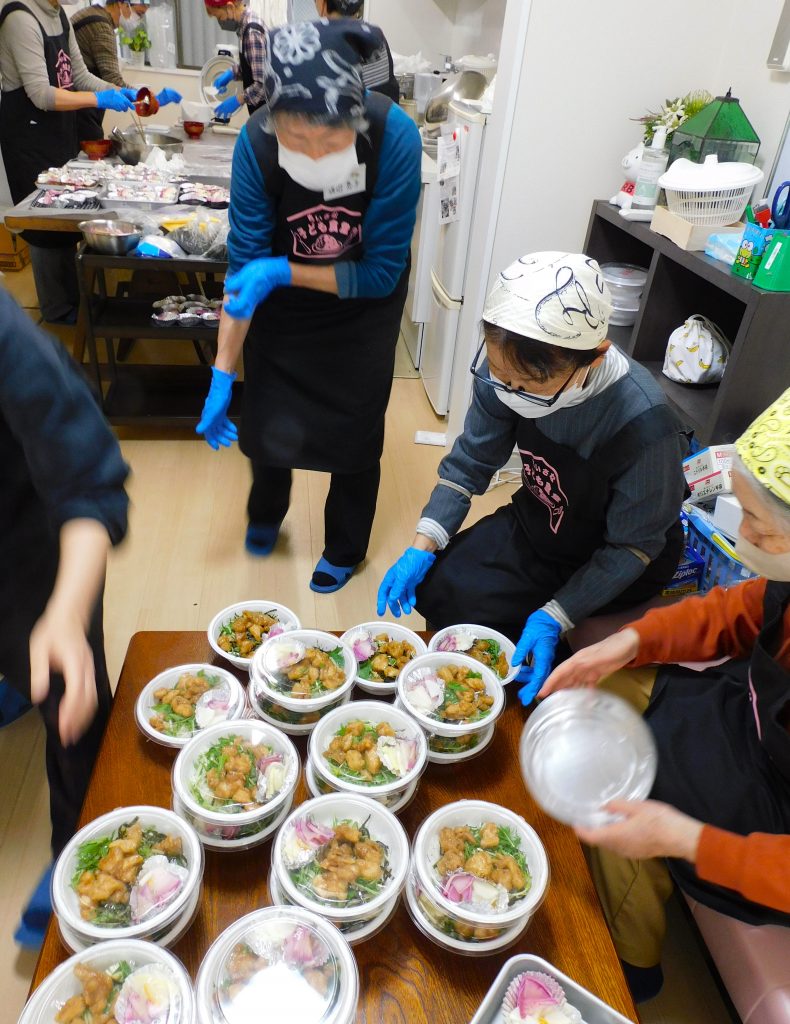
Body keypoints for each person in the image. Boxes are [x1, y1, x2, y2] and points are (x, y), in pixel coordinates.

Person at [539, 386, 790, 1003]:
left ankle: (632, 969)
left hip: (773, 826)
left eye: (757, 523)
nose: (744, 534)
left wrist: (685, 839)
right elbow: (741, 609)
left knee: (622, 791)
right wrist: (628, 643)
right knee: (602, 691)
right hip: (752, 722)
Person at [378, 252, 688, 702]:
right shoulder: (503, 366)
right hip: (540, 520)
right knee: (443, 585)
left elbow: (634, 545)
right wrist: (425, 539)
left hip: (617, 554)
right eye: (502, 376)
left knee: (529, 655)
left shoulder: (646, 428)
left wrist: (557, 615)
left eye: (528, 386)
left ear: (594, 359)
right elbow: (471, 461)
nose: (509, 391)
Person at [196, 19, 421, 593]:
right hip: (282, 307)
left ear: (355, 112)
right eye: (297, 138)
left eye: (329, 139)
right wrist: (222, 371)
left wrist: (284, 268)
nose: (312, 153)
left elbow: (379, 271)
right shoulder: (255, 144)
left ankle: (344, 546)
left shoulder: (395, 140)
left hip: (363, 308)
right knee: (269, 417)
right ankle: (266, 516)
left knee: (356, 428)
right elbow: (245, 269)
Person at [0, 286, 129, 947]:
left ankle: (80, 852)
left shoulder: (7, 337)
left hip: (30, 541)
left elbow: (89, 476)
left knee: (69, 709)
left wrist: (66, 615)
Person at [0, 0, 134, 323]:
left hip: (58, 132)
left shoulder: (59, 15)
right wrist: (98, 99)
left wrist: (124, 92)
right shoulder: (20, 18)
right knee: (43, 221)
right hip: (28, 138)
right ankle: (56, 311)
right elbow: (41, 94)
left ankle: (75, 302)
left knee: (67, 210)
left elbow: (80, 76)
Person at [71, 0, 181, 141]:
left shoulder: (91, 12)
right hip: (80, 108)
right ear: (121, 4)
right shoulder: (101, 27)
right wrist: (150, 99)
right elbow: (113, 81)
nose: (138, 19)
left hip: (76, 102)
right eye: (138, 13)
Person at [312, 0, 399, 102]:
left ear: (322, 3)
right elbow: (385, 96)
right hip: (379, 115)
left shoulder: (316, 39)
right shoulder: (374, 36)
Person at [204, 0, 268, 118]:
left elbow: (263, 85)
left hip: (269, 114)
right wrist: (231, 73)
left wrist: (238, 100)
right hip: (260, 112)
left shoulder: (252, 32)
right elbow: (252, 65)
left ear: (229, 7)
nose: (220, 22)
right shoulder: (245, 27)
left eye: (219, 16)